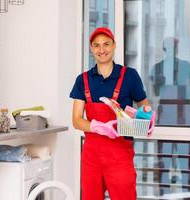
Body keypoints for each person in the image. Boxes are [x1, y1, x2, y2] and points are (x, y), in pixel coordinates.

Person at [70, 27, 155, 200]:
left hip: (120, 155)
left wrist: (146, 117)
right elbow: (77, 120)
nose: (102, 50)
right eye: (96, 45)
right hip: (91, 157)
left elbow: (145, 108)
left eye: (106, 44)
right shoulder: (82, 80)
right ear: (91, 49)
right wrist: (96, 126)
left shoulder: (130, 76)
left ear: (114, 46)